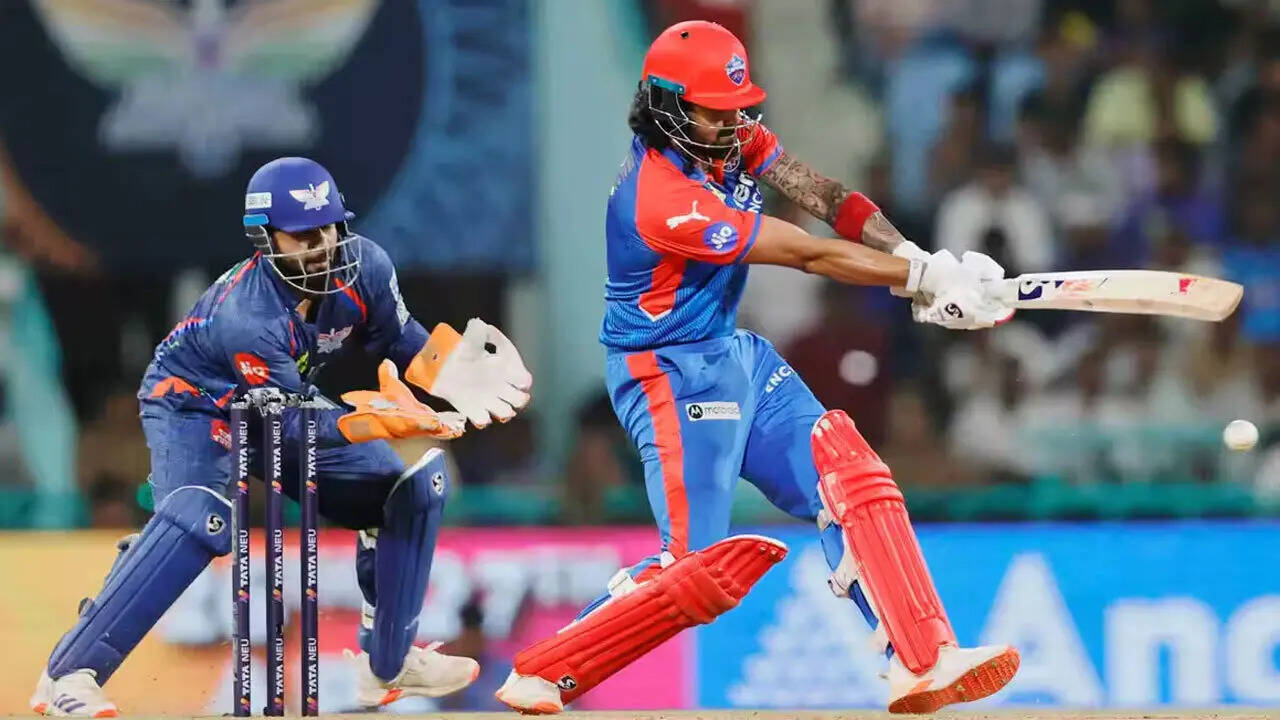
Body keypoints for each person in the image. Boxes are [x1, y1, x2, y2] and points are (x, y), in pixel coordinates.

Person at [495, 21, 1019, 715]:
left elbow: (826, 197)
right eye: (713, 110)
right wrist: (920, 280)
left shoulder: (728, 137)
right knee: (698, 574)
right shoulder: (659, 197)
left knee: (849, 474)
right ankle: (546, 671)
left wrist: (919, 257)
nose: (730, 122)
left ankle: (921, 661)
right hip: (668, 375)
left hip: (734, 354)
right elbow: (805, 252)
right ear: (666, 106)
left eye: (735, 107)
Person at [30, 157, 532, 716]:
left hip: (283, 396)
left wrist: (451, 372)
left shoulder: (366, 265)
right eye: (303, 236)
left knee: (406, 490)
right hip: (196, 403)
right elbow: (290, 428)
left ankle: (387, 664)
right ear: (265, 239)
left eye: (330, 228)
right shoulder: (247, 317)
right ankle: (69, 674)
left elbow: (399, 337)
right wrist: (375, 422)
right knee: (203, 518)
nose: (322, 247)